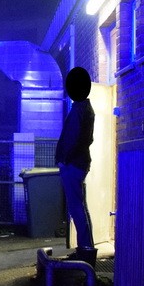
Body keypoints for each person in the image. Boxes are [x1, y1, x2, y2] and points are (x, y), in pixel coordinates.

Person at [55, 67, 97, 266]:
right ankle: (86, 249)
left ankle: (85, 252)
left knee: (76, 208)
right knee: (81, 208)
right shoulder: (86, 110)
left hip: (73, 164)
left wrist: (63, 160)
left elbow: (72, 139)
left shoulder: (79, 111)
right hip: (79, 163)